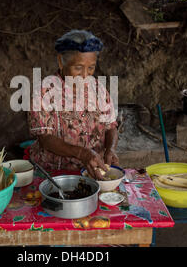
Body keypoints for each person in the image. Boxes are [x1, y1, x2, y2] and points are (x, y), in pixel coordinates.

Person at [27, 30, 119, 180]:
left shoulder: (99, 89)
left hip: (94, 172)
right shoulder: (44, 92)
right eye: (78, 67)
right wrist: (82, 153)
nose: (85, 75)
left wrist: (111, 149)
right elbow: (45, 138)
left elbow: (111, 126)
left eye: (91, 68)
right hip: (54, 175)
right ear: (60, 62)